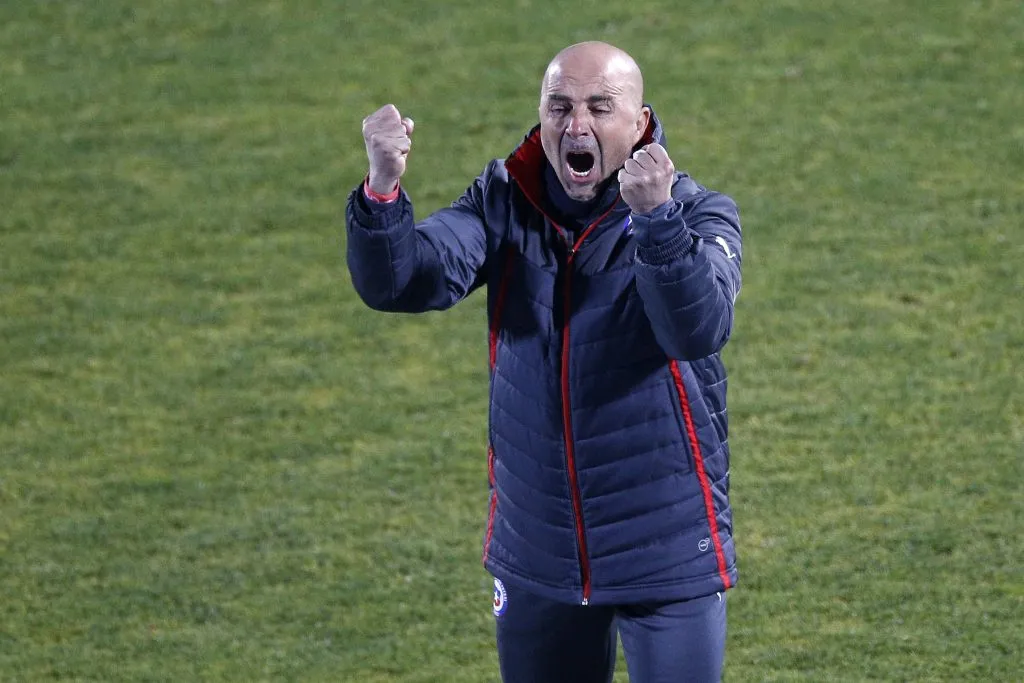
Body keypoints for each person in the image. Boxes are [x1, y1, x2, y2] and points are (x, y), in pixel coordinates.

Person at [346, 41, 742, 683]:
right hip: (540, 553)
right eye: (559, 106)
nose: (575, 125)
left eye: (598, 107)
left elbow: (695, 329)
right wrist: (383, 192)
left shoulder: (698, 214)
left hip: (665, 549)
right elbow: (405, 281)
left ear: (639, 124)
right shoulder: (502, 201)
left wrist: (658, 223)